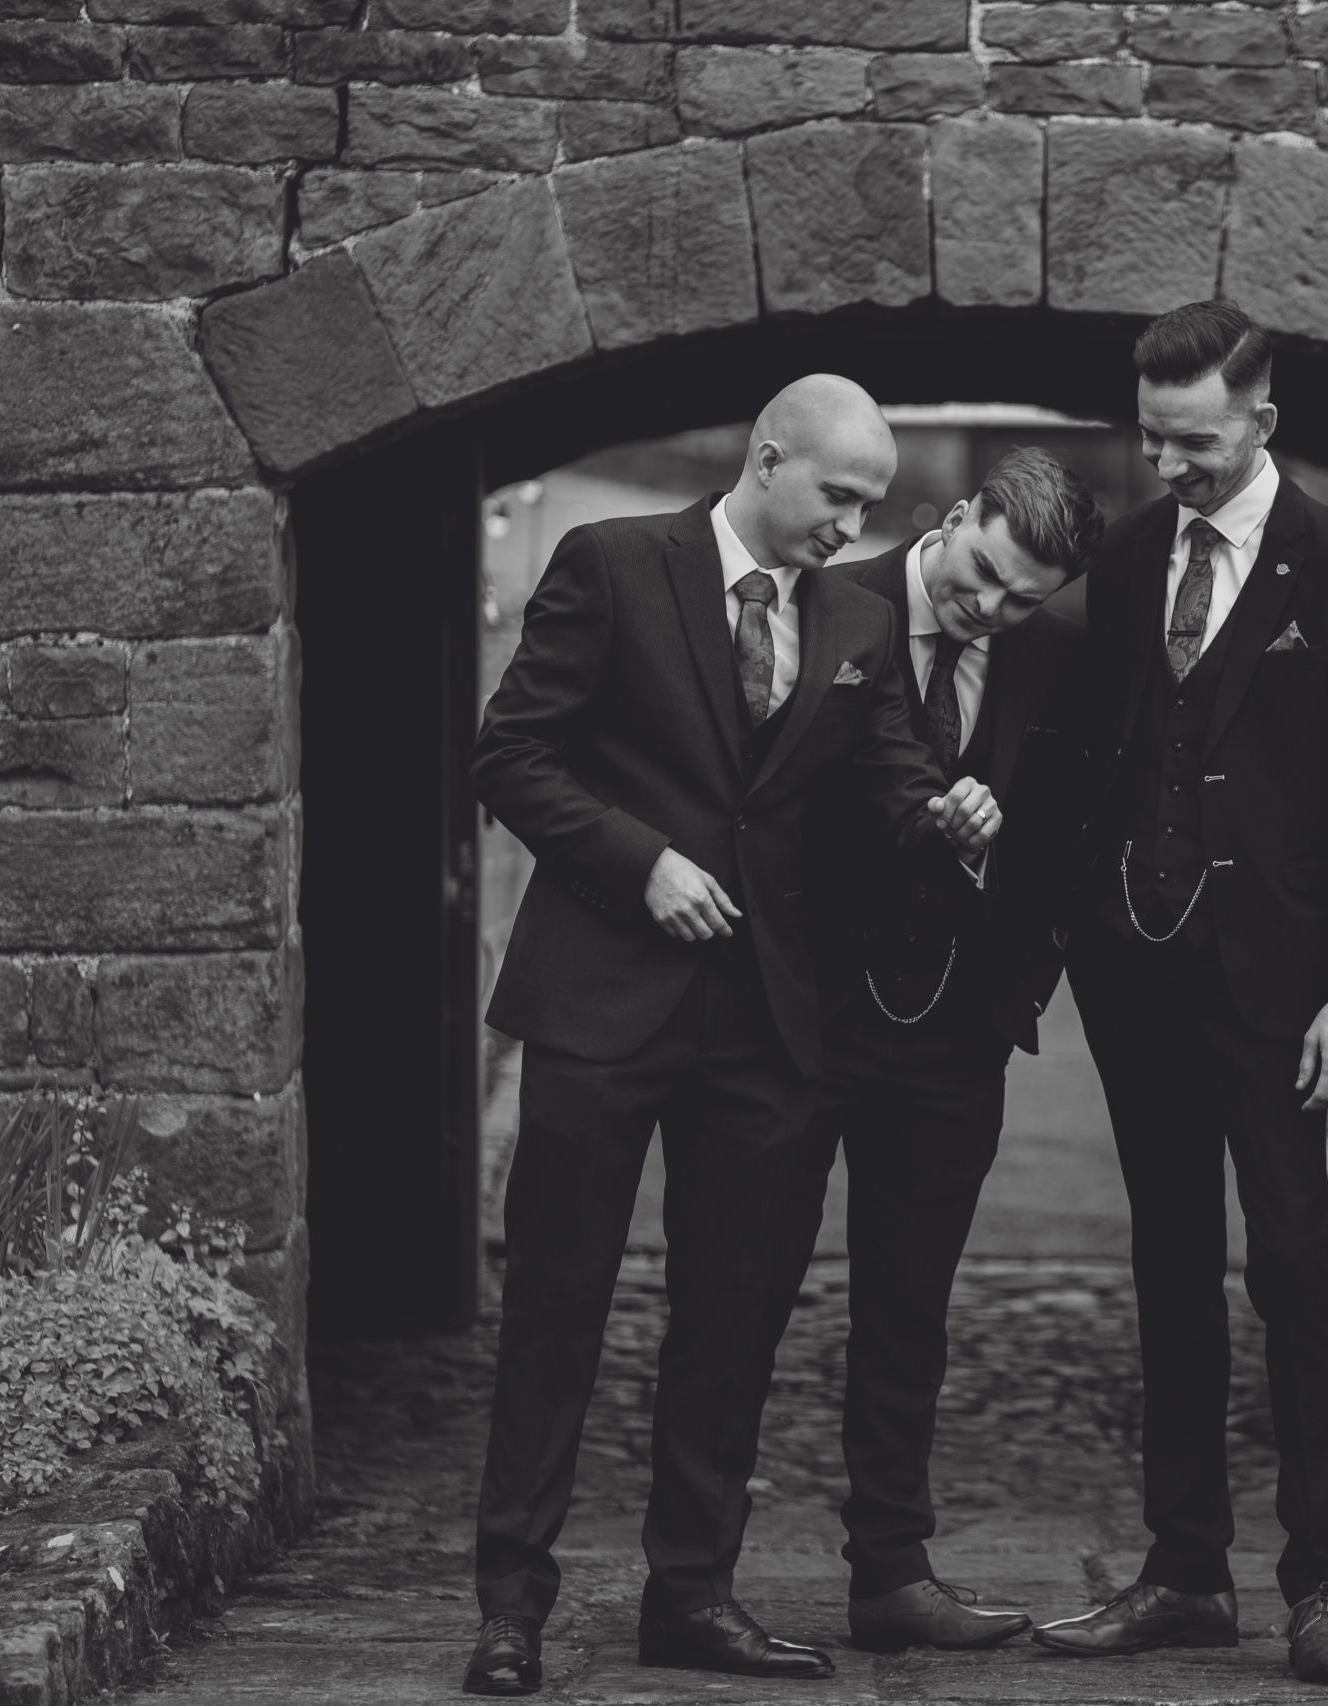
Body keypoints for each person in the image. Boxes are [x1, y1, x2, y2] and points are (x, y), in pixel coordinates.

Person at [464, 376, 1001, 1696]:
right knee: (557, 1306)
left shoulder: (856, 617)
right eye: (839, 496)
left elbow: (882, 780)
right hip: (599, 997)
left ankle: (693, 1593)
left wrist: (942, 812)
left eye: (872, 505)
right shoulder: (611, 562)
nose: (853, 527)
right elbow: (513, 754)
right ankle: (512, 1603)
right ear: (768, 460)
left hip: (762, 1020)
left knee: (731, 1321)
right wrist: (638, 861)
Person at [1033, 301, 1328, 1684]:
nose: (1166, 464)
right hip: (1135, 968)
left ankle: (1323, 1585)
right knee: (1170, 1262)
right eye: (1152, 437)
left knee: (1296, 1267)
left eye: (1192, 441)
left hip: (1277, 982)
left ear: (1261, 420)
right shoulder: (1130, 554)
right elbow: (1098, 749)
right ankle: (1185, 1570)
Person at [788, 448, 1105, 1653]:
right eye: (980, 574)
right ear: (957, 515)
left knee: (908, 1313)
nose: (990, 608)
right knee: (739, 1296)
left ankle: (891, 1574)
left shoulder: (1054, 652)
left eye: (1022, 596)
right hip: (802, 1018)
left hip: (954, 1035)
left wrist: (1018, 980)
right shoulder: (830, 601)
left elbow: (1067, 828)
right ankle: (695, 1575)